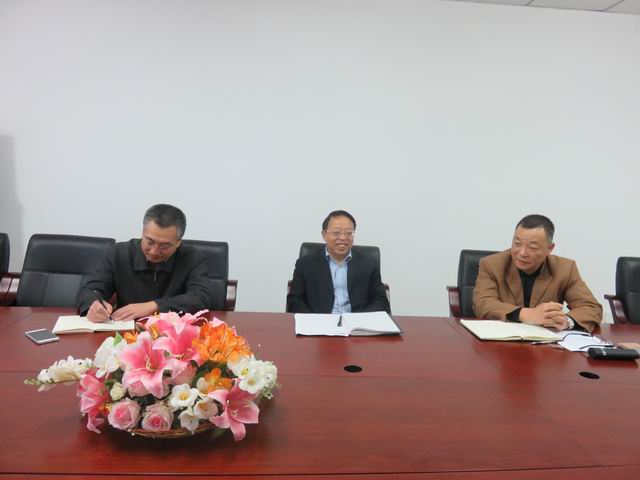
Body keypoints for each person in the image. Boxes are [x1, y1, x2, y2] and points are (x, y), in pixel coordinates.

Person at [76, 204, 210, 322]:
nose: (154, 251)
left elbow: (200, 298)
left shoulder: (193, 258)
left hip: (173, 331)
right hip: (126, 330)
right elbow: (90, 290)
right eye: (150, 241)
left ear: (178, 242)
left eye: (164, 246)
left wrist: (154, 306)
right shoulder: (119, 253)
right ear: (143, 232)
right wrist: (94, 305)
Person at [473, 214, 602, 332]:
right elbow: (482, 303)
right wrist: (527, 314)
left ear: (549, 248)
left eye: (532, 247)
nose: (522, 253)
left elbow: (591, 308)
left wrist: (566, 321)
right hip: (500, 339)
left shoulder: (565, 269)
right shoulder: (492, 264)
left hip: (545, 343)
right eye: (517, 244)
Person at [287, 210, 391, 314]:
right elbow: (295, 300)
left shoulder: (368, 264)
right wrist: (313, 319)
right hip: (319, 321)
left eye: (348, 233)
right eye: (336, 233)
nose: (343, 238)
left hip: (357, 321)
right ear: (324, 235)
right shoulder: (305, 264)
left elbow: (380, 300)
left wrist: (361, 319)